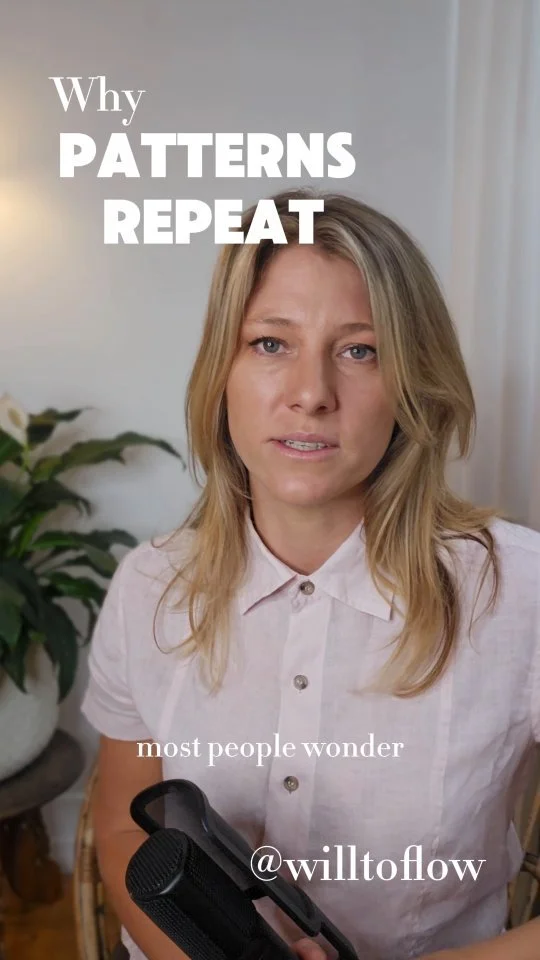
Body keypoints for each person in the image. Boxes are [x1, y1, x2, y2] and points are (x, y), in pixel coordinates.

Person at [81, 189, 540, 960]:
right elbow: (127, 826)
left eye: (360, 351)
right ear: (221, 370)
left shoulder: (519, 592)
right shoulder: (149, 587)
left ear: (412, 381)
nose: (310, 394)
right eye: (271, 343)